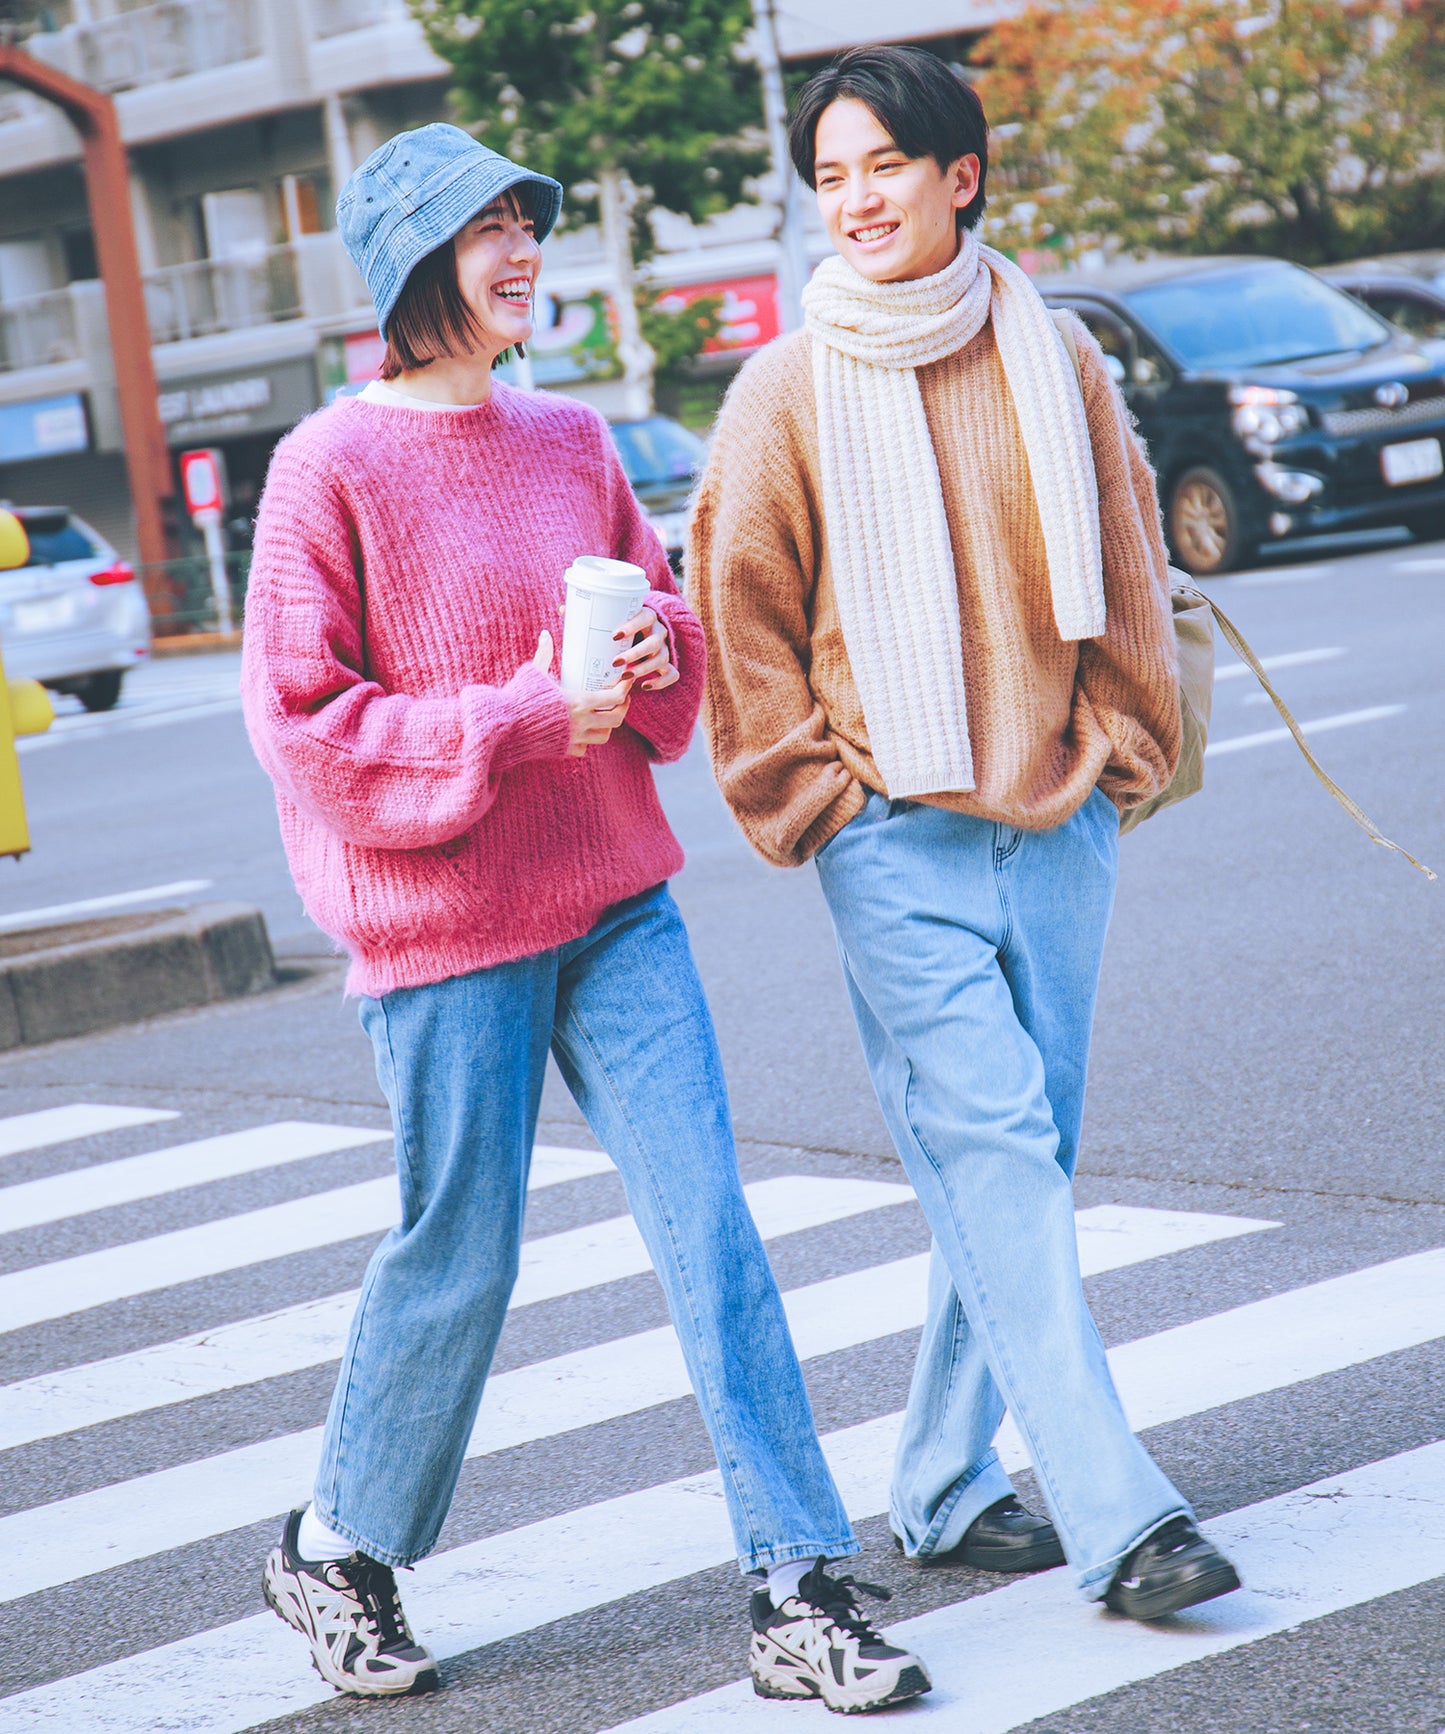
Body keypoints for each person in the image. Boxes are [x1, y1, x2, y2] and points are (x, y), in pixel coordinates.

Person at [240, 122, 930, 1713]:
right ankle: (338, 1542)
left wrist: (641, 659)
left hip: (616, 902)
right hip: (445, 925)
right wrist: (514, 721)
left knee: (711, 1228)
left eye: (525, 222)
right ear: (410, 262)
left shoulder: (568, 439)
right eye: (484, 228)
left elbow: (663, 634)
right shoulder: (325, 467)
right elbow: (304, 725)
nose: (519, 250)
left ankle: (796, 1580)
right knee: (458, 1255)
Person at [689, 47, 1242, 1622]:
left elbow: (1130, 553)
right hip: (895, 834)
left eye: (883, 165)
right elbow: (742, 616)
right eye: (832, 173)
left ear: (960, 176)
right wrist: (820, 802)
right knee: (995, 1154)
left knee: (1018, 1161)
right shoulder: (782, 390)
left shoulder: (1047, 349)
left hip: (1056, 811)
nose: (855, 198)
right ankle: (1121, 1516)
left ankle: (937, 1474)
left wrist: (1125, 745)